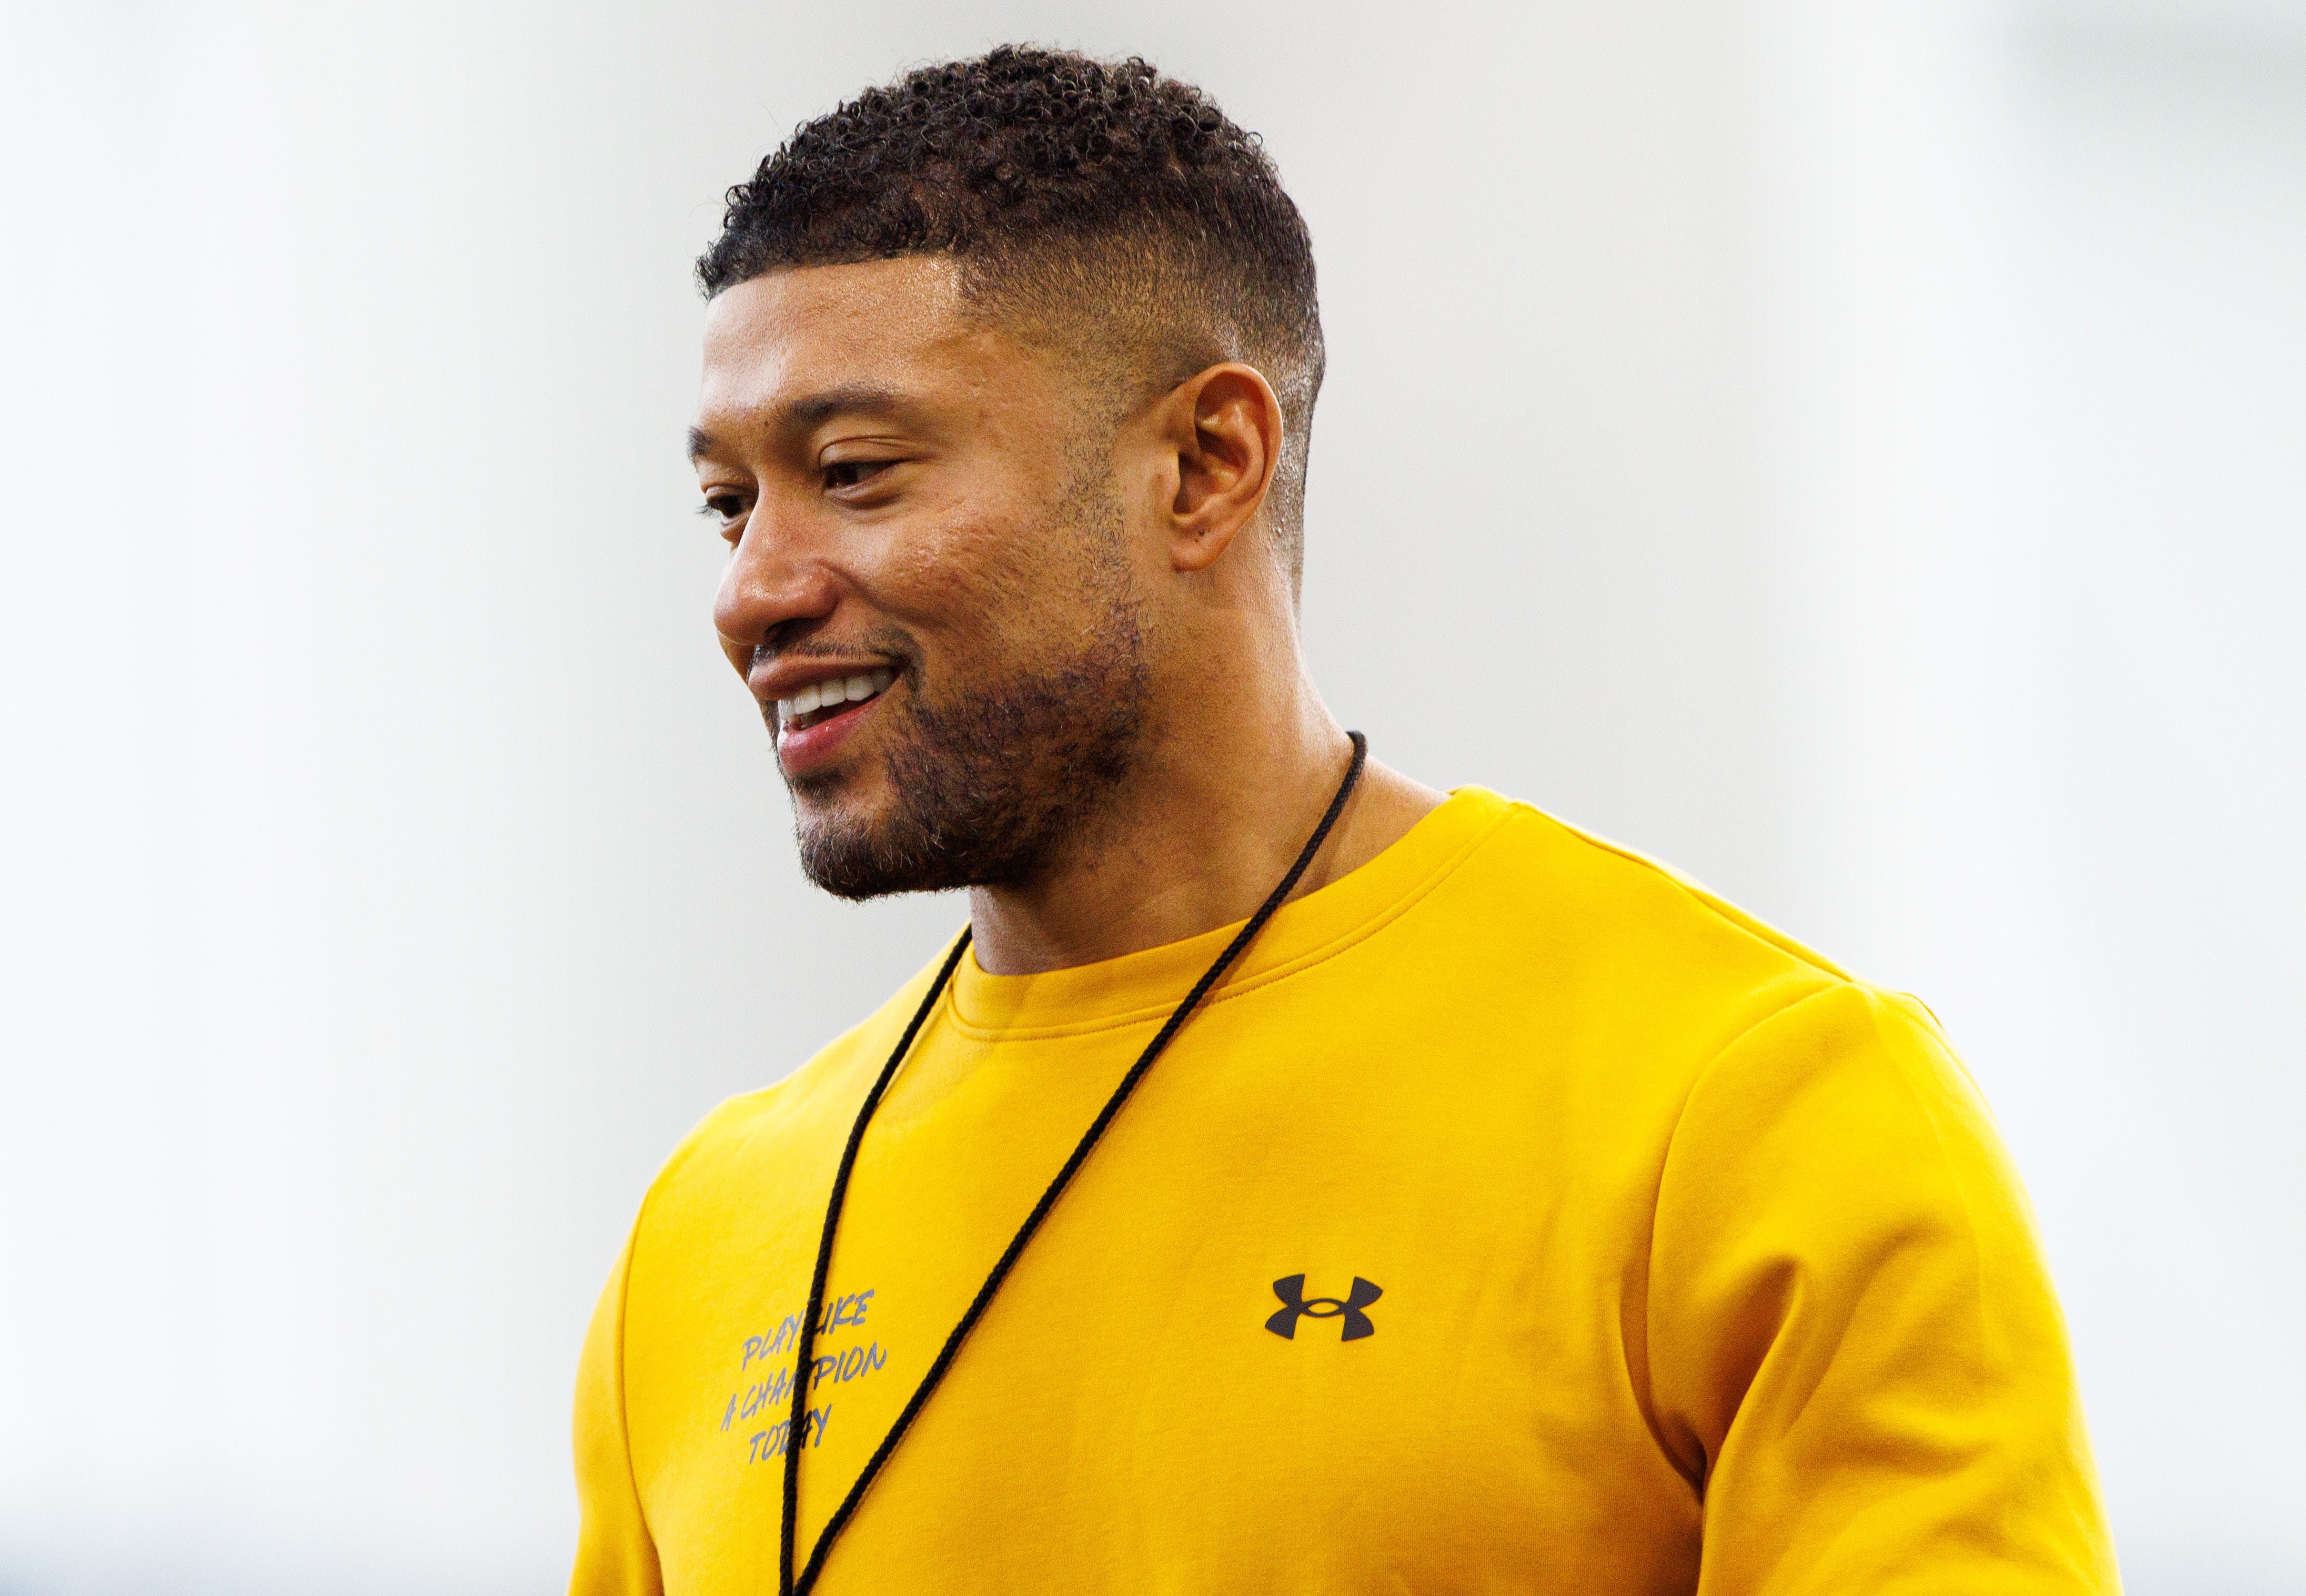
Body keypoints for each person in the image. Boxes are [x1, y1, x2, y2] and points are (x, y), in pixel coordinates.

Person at [570, 46, 2118, 1595]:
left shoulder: (1751, 1113)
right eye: (730, 503)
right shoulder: (708, 1243)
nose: (752, 590)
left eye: (852, 472)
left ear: (1205, 463)